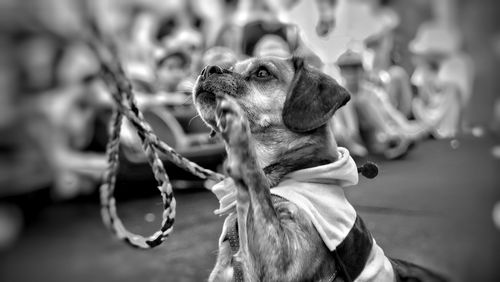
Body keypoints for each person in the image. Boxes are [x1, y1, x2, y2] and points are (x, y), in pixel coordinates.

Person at [336, 49, 429, 159]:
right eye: (347, 71)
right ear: (341, 73)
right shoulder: (337, 93)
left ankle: (393, 140)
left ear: (361, 70)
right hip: (351, 136)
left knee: (364, 102)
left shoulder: (371, 91)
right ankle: (392, 139)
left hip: (374, 134)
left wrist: (403, 124)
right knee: (353, 102)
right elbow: (339, 126)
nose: (352, 75)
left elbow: (389, 111)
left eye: (355, 70)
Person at [410, 22, 474, 139]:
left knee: (450, 91)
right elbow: (418, 91)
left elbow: (457, 92)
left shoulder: (457, 64)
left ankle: (440, 129)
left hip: (446, 118)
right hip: (427, 113)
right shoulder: (424, 68)